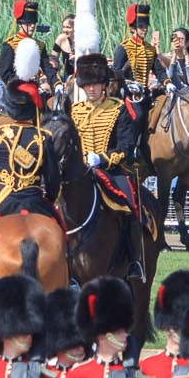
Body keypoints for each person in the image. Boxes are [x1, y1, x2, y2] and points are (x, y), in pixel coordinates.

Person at [0, 39, 61, 259]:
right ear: (33, 109)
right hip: (35, 197)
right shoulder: (44, 138)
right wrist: (50, 198)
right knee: (64, 234)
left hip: (4, 196)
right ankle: (72, 277)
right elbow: (53, 178)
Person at [69, 52, 148, 280]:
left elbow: (125, 146)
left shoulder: (119, 109)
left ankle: (134, 260)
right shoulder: (75, 111)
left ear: (104, 84)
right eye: (87, 85)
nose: (91, 89)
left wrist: (101, 159)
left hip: (109, 170)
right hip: (79, 172)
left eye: (95, 84)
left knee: (130, 203)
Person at [0, 0, 56, 96]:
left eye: (33, 22)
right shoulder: (10, 45)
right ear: (20, 24)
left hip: (36, 89)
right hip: (16, 92)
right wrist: (23, 84)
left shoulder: (40, 45)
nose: (32, 26)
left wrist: (56, 83)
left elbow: (48, 68)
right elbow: (5, 74)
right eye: (28, 23)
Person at [113, 2, 167, 92]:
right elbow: (116, 74)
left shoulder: (150, 49)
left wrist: (167, 82)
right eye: (141, 27)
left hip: (145, 91)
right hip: (128, 92)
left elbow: (159, 71)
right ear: (133, 28)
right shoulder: (124, 48)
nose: (145, 29)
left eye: (146, 26)